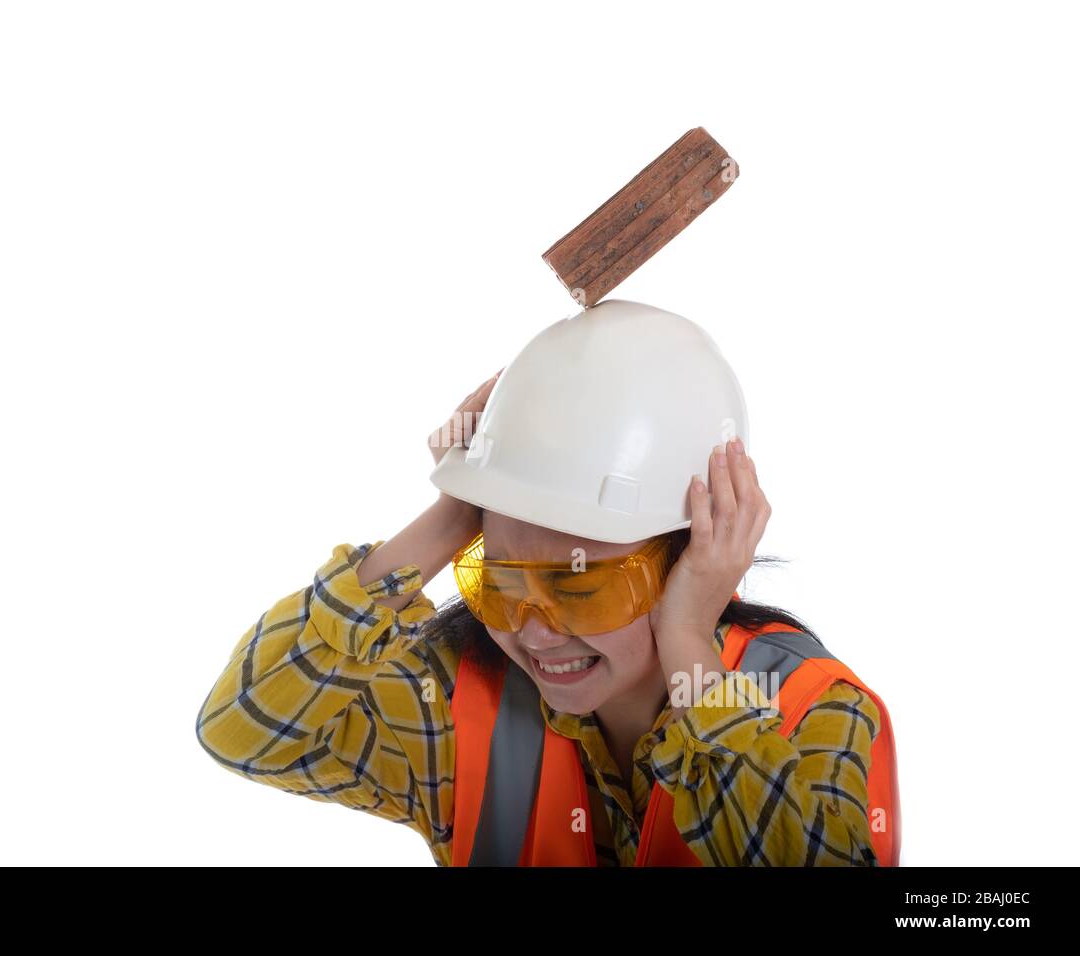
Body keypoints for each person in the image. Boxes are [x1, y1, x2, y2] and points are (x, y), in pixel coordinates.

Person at [196, 300, 900, 866]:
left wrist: (687, 636)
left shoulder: (814, 710)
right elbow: (246, 729)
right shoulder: (456, 709)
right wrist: (456, 510)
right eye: (498, 581)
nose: (532, 631)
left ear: (700, 552)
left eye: (581, 586)